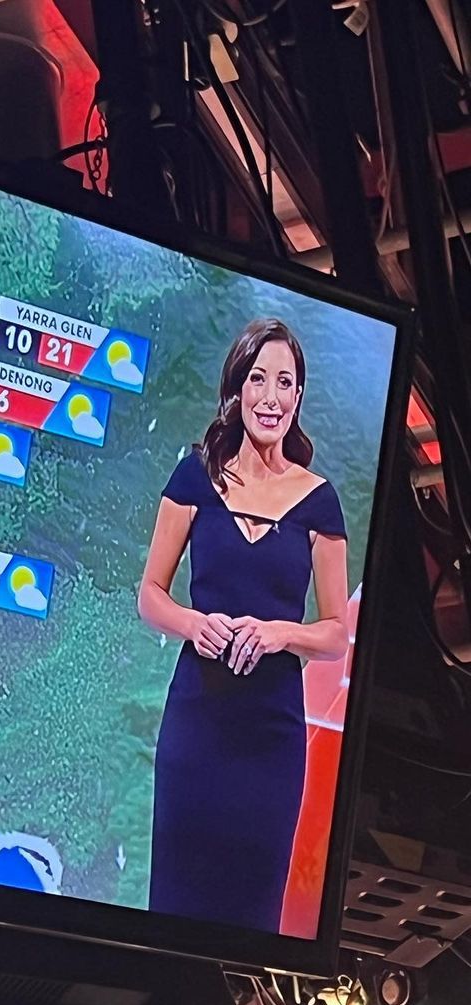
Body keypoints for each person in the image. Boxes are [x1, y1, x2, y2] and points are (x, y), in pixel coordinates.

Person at [138, 318, 350, 934]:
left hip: (270, 737)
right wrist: (192, 623)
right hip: (197, 723)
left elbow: (335, 632)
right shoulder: (194, 478)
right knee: (176, 904)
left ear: (298, 397)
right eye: (259, 379)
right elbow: (150, 594)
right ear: (237, 389)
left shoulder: (319, 501)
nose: (271, 397)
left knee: (252, 918)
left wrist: (282, 633)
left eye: (285, 383)